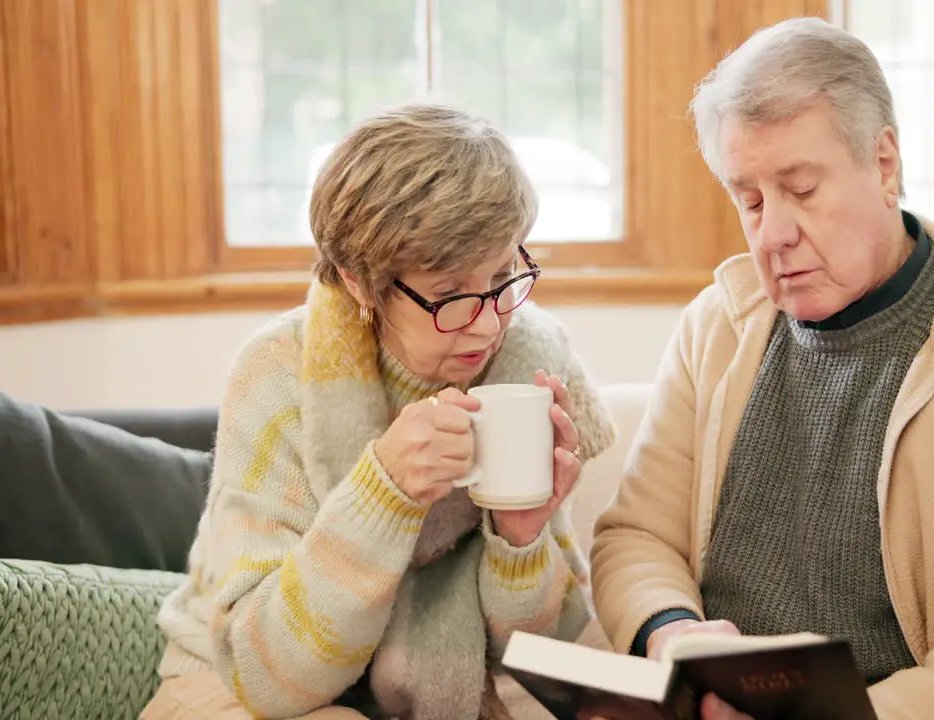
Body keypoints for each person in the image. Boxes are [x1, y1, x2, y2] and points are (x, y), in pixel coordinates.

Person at [590, 17, 934, 720]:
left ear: (884, 163)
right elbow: (637, 538)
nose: (773, 233)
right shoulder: (717, 326)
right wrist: (669, 629)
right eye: (750, 199)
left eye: (801, 190)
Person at [141, 104, 616, 720]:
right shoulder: (278, 373)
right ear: (360, 281)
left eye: (503, 276)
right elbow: (271, 678)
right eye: (448, 294)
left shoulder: (531, 357)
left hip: (446, 680)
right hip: (239, 680)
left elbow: (547, 654)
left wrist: (521, 541)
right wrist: (381, 496)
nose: (490, 321)